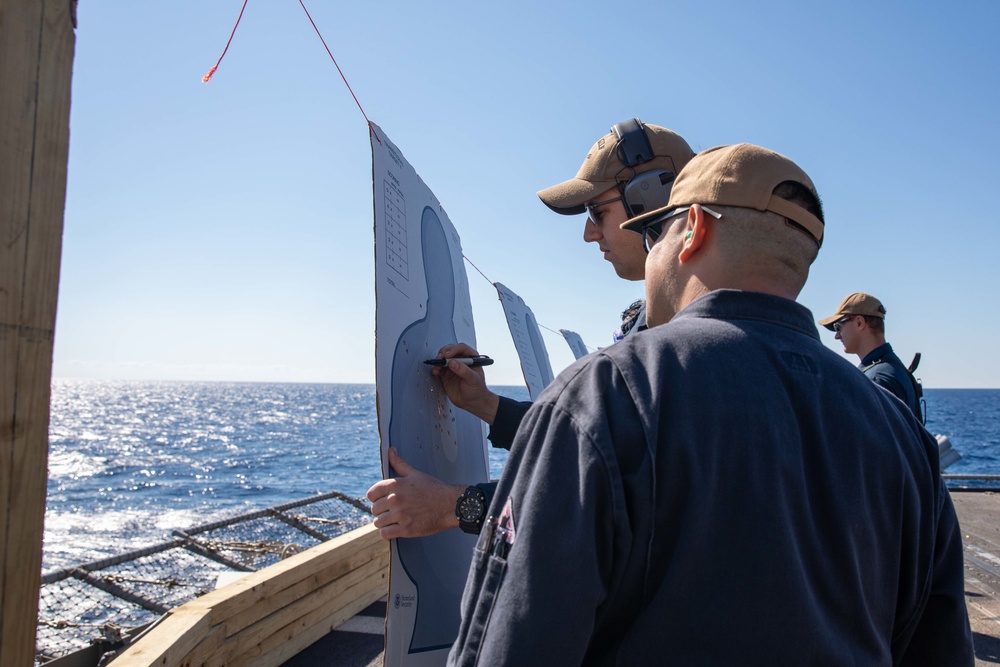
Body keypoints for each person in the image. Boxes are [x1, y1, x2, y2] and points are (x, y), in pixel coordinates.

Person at [448, 144, 973, 665]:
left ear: (694, 228)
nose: (648, 250)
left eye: (658, 231)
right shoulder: (903, 437)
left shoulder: (605, 391)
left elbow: (511, 645)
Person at [367, 120, 696, 540]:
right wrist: (485, 403)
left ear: (649, 200)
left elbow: (607, 494)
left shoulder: (685, 341)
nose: (588, 232)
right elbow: (587, 442)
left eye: (598, 212)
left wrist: (451, 506)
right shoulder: (658, 322)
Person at [819, 292, 922, 419]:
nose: (836, 335)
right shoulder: (892, 368)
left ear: (859, 323)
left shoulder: (876, 379)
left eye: (838, 327)